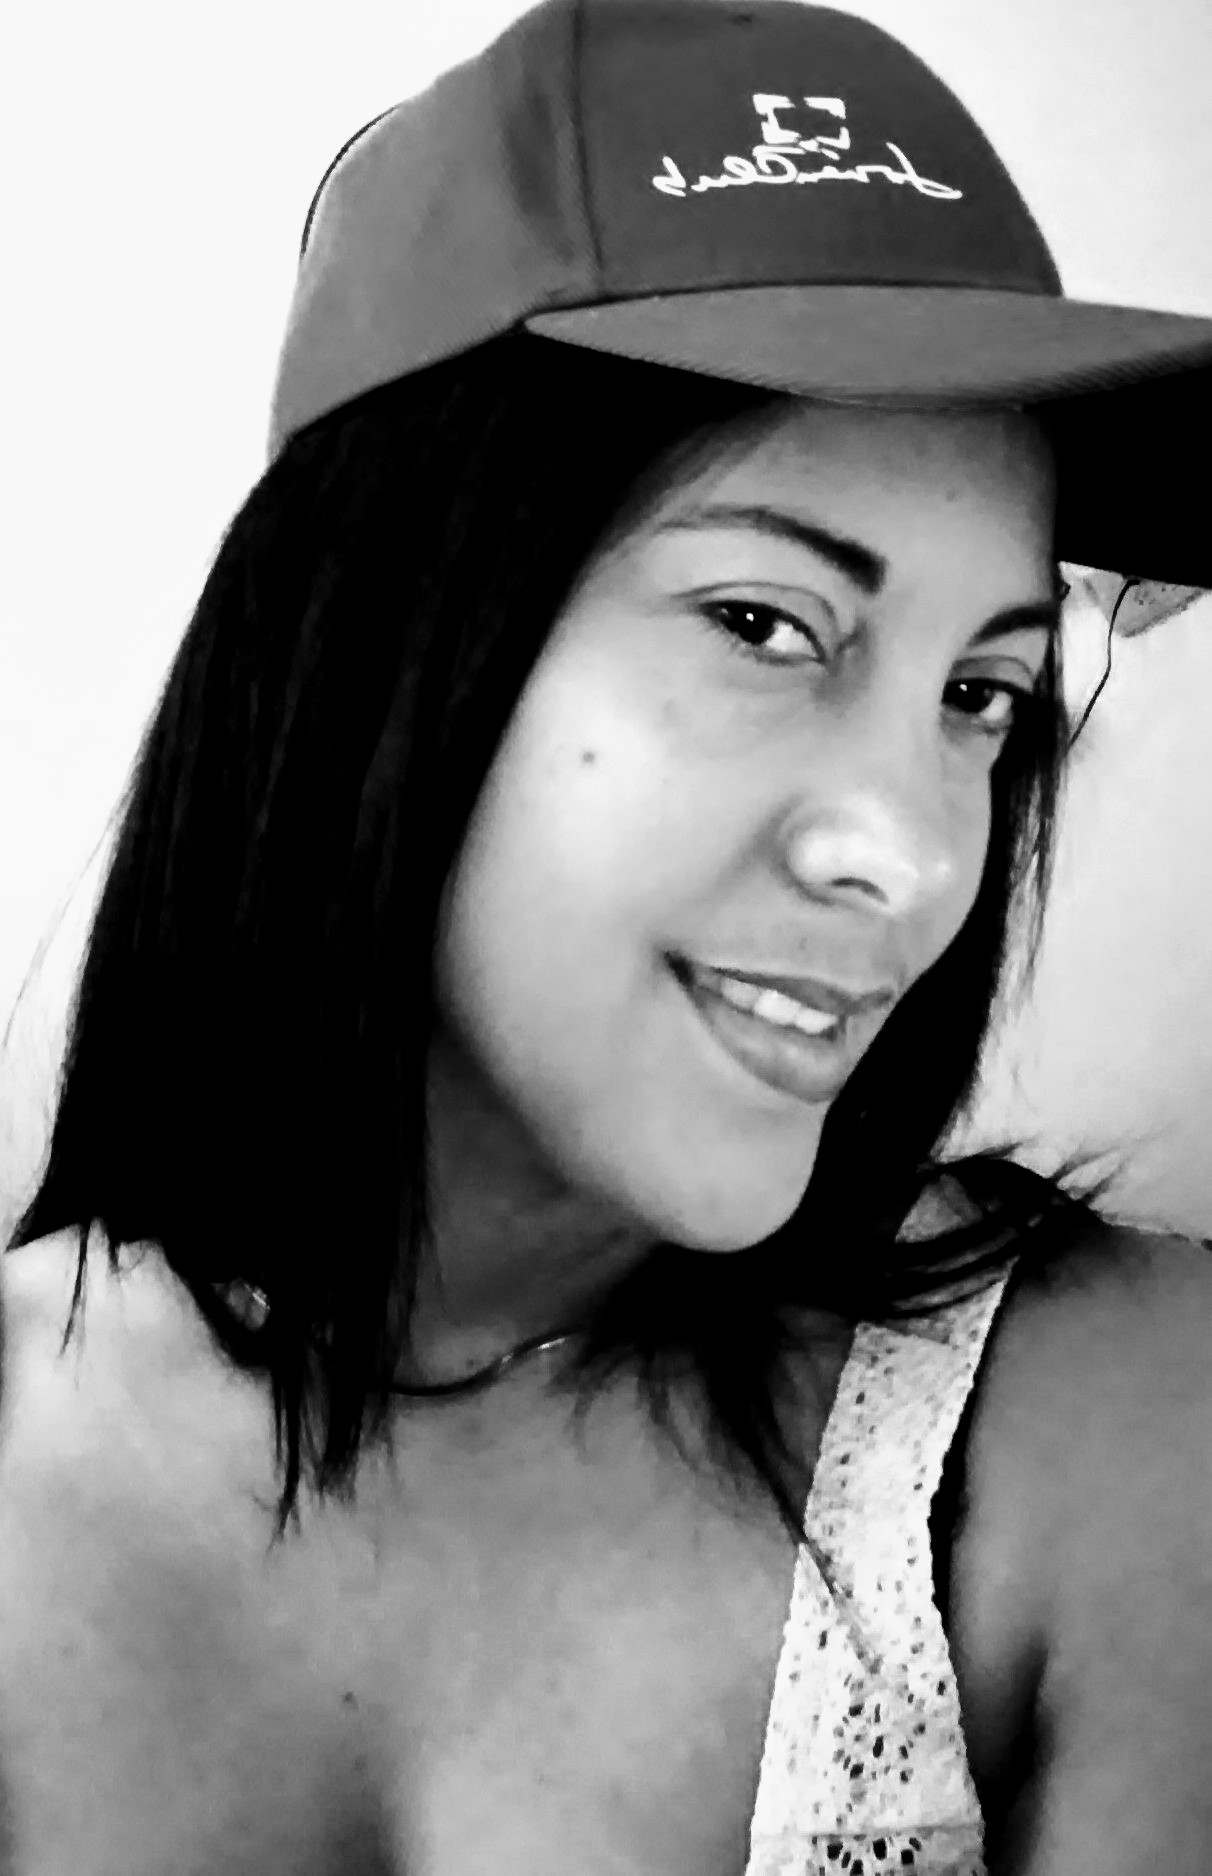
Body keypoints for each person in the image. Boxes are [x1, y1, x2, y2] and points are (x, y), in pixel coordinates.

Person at [3, 1, 1212, 1871]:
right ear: (374, 643)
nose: (910, 856)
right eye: (765, 626)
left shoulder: (1116, 1425)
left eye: (983, 694)